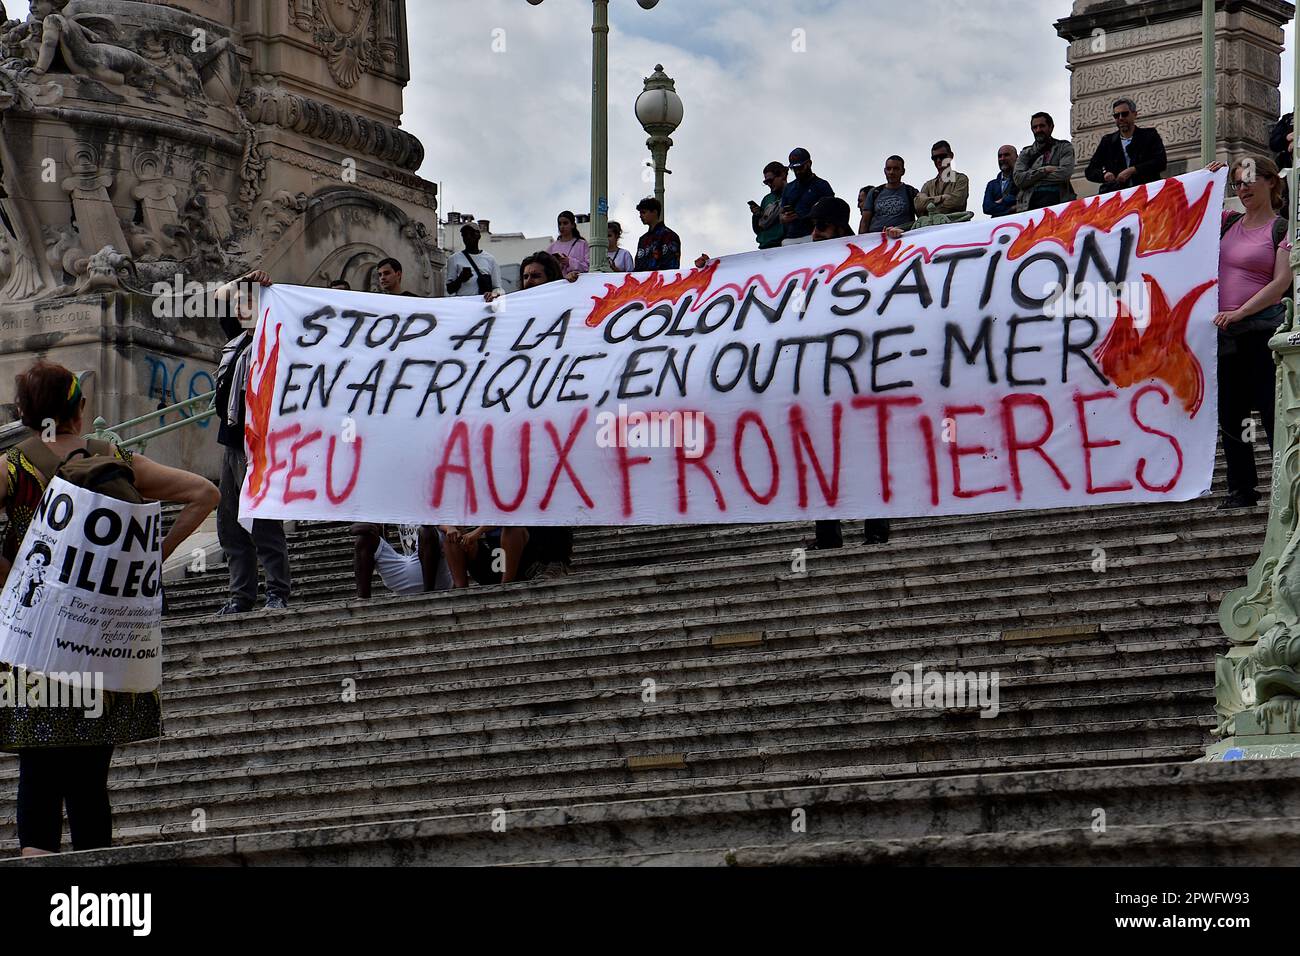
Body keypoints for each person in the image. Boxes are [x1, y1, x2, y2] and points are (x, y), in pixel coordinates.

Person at [0, 360, 219, 856]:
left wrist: (12, 576)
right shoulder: (114, 457)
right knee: (89, 782)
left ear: (24, 412)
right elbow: (205, 494)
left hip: (35, 645)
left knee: (37, 775)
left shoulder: (15, 467)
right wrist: (148, 561)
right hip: (102, 644)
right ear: (81, 408)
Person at [804, 196, 891, 550]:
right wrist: (710, 269)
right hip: (823, 380)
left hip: (862, 378)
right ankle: (827, 532)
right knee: (823, 457)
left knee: (868, 452)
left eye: (820, 227)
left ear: (840, 228)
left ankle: (876, 528)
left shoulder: (867, 258)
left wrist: (898, 242)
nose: (813, 234)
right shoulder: (806, 264)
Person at [1207, 157, 1292, 509]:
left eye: (1249, 181)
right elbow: (1188, 216)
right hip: (1226, 335)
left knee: (1272, 414)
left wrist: (1241, 311)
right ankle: (1241, 489)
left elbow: (1281, 282)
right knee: (1231, 414)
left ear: (1271, 182)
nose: (1242, 188)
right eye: (1237, 183)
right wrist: (1207, 181)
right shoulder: (1228, 222)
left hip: (1261, 331)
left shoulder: (1283, 228)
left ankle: (1284, 490)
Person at [212, 269, 292, 615]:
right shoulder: (237, 340)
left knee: (262, 522)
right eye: (242, 302)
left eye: (251, 302)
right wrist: (244, 279)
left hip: (259, 445)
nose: (243, 307)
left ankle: (277, 592)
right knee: (229, 524)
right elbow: (218, 297)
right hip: (231, 443)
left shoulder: (272, 339)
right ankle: (241, 595)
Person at [1084, 97, 1167, 193]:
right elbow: (1090, 171)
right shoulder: (1107, 141)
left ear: (1134, 114)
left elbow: (1161, 162)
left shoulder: (1149, 135)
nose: (1120, 118)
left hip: (1148, 192)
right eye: (1116, 116)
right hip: (1118, 197)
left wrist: (1133, 170)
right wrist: (1104, 175)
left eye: (1124, 114)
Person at [353, 523, 449, 597]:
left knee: (426, 531)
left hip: (433, 572)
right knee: (363, 538)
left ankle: (429, 596)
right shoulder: (398, 507)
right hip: (402, 570)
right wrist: (373, 528)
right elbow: (354, 528)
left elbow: (446, 525)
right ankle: (362, 601)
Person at [1013, 112, 1077, 212]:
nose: (1038, 130)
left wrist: (1030, 180)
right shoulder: (1026, 153)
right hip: (1029, 207)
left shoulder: (1064, 147)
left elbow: (1064, 174)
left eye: (1042, 126)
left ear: (1051, 127)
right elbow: (1019, 180)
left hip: (1059, 208)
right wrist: (1045, 170)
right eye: (1035, 127)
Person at [779, 147, 834, 244]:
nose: (797, 171)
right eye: (794, 169)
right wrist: (784, 218)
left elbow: (831, 212)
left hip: (814, 236)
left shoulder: (822, 185)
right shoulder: (788, 188)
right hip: (791, 238)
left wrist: (804, 216)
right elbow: (781, 214)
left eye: (800, 167)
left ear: (809, 163)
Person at [861, 156, 918, 233]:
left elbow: (921, 219)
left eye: (896, 169)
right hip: (876, 239)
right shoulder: (875, 192)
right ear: (884, 171)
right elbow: (865, 221)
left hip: (903, 239)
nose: (891, 172)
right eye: (888, 169)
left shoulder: (911, 192)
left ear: (903, 171)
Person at [446, 221, 503, 297]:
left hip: (483, 304)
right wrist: (460, 279)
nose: (468, 237)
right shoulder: (453, 259)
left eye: (472, 234)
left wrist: (492, 294)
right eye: (465, 235)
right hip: (463, 304)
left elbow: (498, 288)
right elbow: (449, 290)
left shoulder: (490, 260)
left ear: (479, 236)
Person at [915, 140, 970, 216]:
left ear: (951, 156)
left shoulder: (961, 179)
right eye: (935, 158)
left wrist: (928, 207)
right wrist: (942, 198)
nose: (938, 160)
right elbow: (918, 205)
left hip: (954, 225)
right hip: (932, 226)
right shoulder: (928, 185)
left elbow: (957, 202)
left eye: (942, 156)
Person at [633, 197, 682, 271]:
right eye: (640, 213)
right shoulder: (642, 239)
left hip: (662, 280)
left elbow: (671, 267)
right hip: (643, 281)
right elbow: (637, 266)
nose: (640, 216)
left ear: (654, 212)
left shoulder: (669, 235)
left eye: (644, 212)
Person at [750, 161, 787, 249]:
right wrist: (756, 215)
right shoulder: (767, 199)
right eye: (766, 182)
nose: (769, 184)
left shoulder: (793, 193)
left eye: (770, 180)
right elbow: (758, 230)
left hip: (784, 245)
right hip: (765, 247)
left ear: (782, 175)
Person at [547, 210, 589, 282]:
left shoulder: (582, 244)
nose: (562, 226)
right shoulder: (552, 247)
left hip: (578, 283)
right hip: (558, 284)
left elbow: (588, 267)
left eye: (565, 223)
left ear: (572, 225)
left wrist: (569, 262)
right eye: (560, 224)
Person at [982, 145, 1019, 218]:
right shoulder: (992, 185)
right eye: (1000, 156)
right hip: (999, 226)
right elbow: (987, 208)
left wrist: (1001, 201)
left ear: (1016, 157)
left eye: (1006, 155)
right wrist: (1011, 208)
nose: (1002, 158)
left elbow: (1021, 199)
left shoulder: (1022, 179)